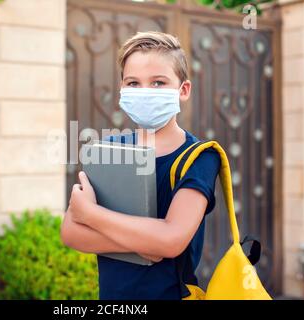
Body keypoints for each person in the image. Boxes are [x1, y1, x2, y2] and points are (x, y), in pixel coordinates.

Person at [61, 31, 220, 300]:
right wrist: (147, 244)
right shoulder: (109, 150)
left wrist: (90, 214)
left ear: (183, 90)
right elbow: (71, 233)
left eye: (158, 83)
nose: (145, 92)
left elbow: (171, 239)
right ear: (122, 90)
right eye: (133, 83)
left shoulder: (200, 157)